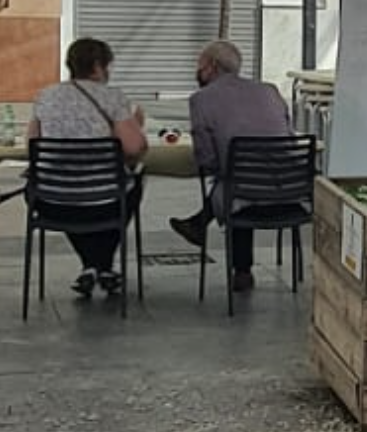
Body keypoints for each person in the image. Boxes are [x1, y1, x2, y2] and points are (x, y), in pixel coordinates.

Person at [27, 38, 148, 297]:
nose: (108, 72)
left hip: (51, 202)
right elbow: (134, 148)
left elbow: (32, 145)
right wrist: (135, 124)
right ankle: (102, 266)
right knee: (135, 184)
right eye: (107, 66)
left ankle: (91, 267)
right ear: (96, 66)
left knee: (72, 196)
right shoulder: (112, 97)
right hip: (105, 202)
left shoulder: (45, 95)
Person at [169, 40, 294, 293]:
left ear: (212, 67)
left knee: (233, 183)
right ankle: (206, 230)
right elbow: (289, 138)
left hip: (242, 198)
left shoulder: (201, 100)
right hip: (290, 194)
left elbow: (207, 160)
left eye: (199, 65)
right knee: (241, 179)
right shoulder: (270, 91)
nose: (197, 71)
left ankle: (237, 265)